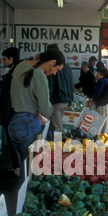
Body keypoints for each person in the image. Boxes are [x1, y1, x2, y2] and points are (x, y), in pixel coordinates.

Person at [8, 48, 65, 177]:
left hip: (14, 123)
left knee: (25, 167)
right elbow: (45, 109)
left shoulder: (20, 66)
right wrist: (49, 110)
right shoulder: (39, 75)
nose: (55, 73)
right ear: (52, 62)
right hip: (28, 124)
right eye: (57, 69)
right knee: (32, 172)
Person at [0, 47, 21, 176]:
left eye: (5, 59)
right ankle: (19, 167)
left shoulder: (8, 73)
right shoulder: (20, 71)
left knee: (13, 141)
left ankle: (17, 168)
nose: (3, 61)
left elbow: (4, 96)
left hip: (11, 111)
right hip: (19, 112)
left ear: (11, 59)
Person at [47, 44, 74, 132]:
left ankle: (59, 144)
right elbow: (71, 85)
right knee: (57, 125)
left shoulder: (52, 67)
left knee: (58, 128)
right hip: (66, 101)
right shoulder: (67, 67)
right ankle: (56, 143)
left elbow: (50, 86)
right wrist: (70, 101)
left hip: (56, 101)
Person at [87, 66, 108, 133]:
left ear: (102, 75)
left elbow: (98, 93)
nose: (96, 75)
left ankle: (102, 141)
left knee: (104, 125)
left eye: (98, 74)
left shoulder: (101, 80)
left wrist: (92, 102)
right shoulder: (107, 81)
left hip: (106, 105)